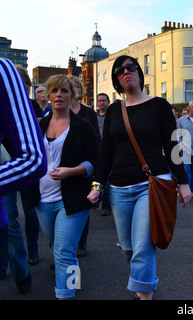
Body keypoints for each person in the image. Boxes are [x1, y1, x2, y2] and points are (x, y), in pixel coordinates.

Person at [87, 55, 191, 300]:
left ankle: (144, 293)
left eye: (130, 67)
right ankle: (145, 281)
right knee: (128, 249)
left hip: (150, 184)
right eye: (120, 71)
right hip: (119, 189)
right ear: (117, 80)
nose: (126, 72)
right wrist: (97, 185)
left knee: (143, 247)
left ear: (139, 73)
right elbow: (107, 152)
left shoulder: (159, 106)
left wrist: (183, 182)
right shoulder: (114, 110)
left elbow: (172, 143)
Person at [22, 74, 98, 299]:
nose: (58, 95)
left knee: (64, 251)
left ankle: (66, 294)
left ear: (72, 95)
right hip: (42, 200)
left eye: (64, 91)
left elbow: (95, 161)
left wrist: (71, 171)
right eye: (54, 91)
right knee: (59, 248)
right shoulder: (38, 126)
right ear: (48, 94)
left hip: (73, 198)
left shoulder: (82, 126)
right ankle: (74, 281)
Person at [0, 58, 47, 290]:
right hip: (9, 166)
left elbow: (32, 156)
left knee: (15, 217)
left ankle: (22, 269)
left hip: (11, 166)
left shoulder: (4, 73)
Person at [68, 75, 100, 257]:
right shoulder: (58, 111)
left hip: (84, 166)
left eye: (77, 86)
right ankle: (64, 248)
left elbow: (96, 139)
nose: (74, 90)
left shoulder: (88, 114)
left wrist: (96, 166)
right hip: (63, 167)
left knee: (83, 204)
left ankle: (82, 241)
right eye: (70, 86)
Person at [177, 100, 193, 199]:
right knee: (186, 170)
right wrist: (180, 147)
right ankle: (187, 190)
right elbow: (178, 135)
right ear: (189, 108)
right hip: (185, 150)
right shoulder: (181, 120)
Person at [96, 93, 112, 216]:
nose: (101, 103)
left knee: (107, 182)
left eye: (103, 100)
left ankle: (106, 206)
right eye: (99, 101)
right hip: (96, 150)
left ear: (108, 102)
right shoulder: (94, 116)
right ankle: (97, 197)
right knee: (96, 179)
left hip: (109, 150)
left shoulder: (112, 116)